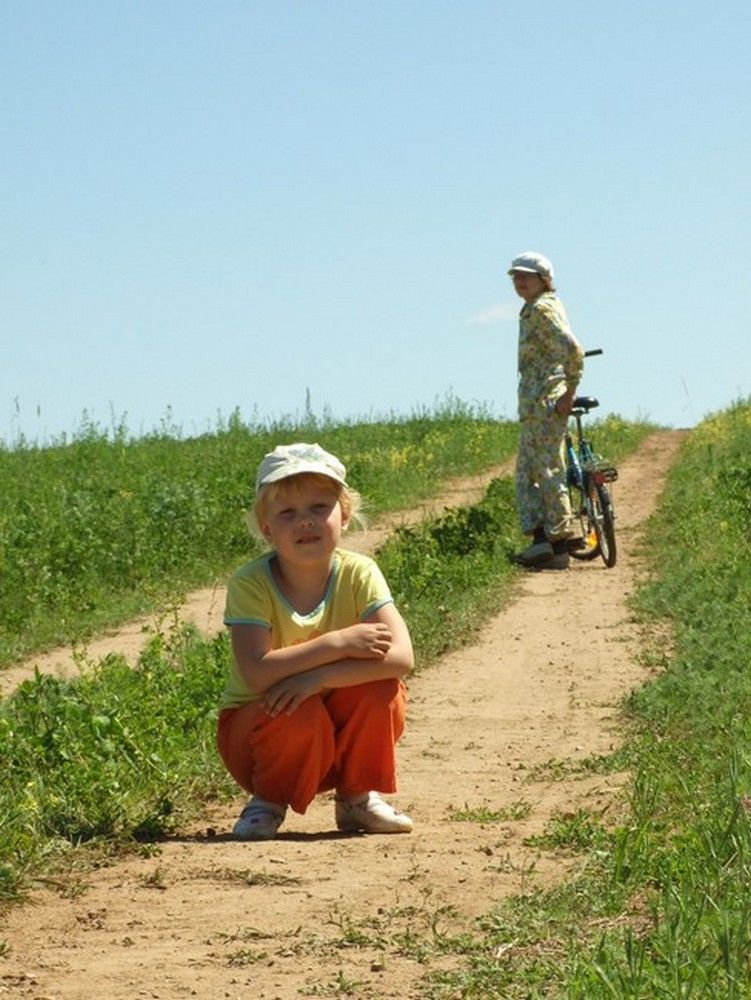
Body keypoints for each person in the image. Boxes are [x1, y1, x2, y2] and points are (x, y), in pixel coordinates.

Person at [217, 442, 414, 841]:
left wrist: (317, 680)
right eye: (287, 513)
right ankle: (267, 801)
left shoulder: (360, 572)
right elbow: (257, 675)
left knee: (381, 688)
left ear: (344, 515)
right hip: (258, 734)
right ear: (266, 527)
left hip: (329, 729)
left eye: (319, 508)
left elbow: (401, 657)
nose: (304, 522)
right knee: (297, 710)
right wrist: (338, 643)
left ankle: (357, 799)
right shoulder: (250, 583)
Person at [508, 251, 584, 570]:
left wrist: (570, 389)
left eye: (527, 276)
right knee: (528, 471)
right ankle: (541, 541)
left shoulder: (542, 309)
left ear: (544, 280)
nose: (520, 281)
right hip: (533, 402)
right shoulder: (531, 309)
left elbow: (572, 349)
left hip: (546, 399)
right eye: (516, 276)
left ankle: (559, 542)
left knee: (548, 468)